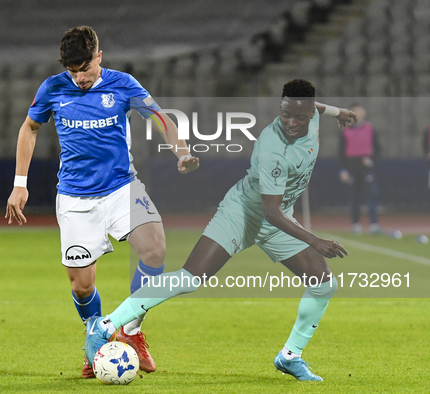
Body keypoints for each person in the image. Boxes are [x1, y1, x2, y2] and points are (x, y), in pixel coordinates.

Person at [85, 79, 356, 382]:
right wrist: (314, 240)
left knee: (323, 283)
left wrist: (338, 111)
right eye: (286, 114)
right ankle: (107, 325)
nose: (291, 122)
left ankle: (290, 356)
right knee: (189, 279)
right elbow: (270, 211)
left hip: (278, 218)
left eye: (299, 116)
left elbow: (316, 107)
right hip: (243, 214)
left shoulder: (313, 114)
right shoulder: (273, 148)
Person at [4, 26, 199, 378]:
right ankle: (94, 335)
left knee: (154, 250)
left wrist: (181, 151)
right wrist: (20, 184)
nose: (79, 77)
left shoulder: (122, 84)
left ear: (99, 56)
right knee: (82, 285)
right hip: (76, 198)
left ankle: (131, 331)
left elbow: (158, 116)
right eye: (72, 71)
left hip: (122, 188)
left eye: (85, 68)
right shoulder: (52, 87)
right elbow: (29, 128)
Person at [338, 105, 382, 235]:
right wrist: (342, 169)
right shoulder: (345, 129)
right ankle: (356, 224)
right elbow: (340, 151)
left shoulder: (370, 128)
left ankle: (374, 224)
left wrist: (371, 159)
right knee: (354, 197)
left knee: (371, 195)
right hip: (352, 167)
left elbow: (378, 148)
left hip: (366, 168)